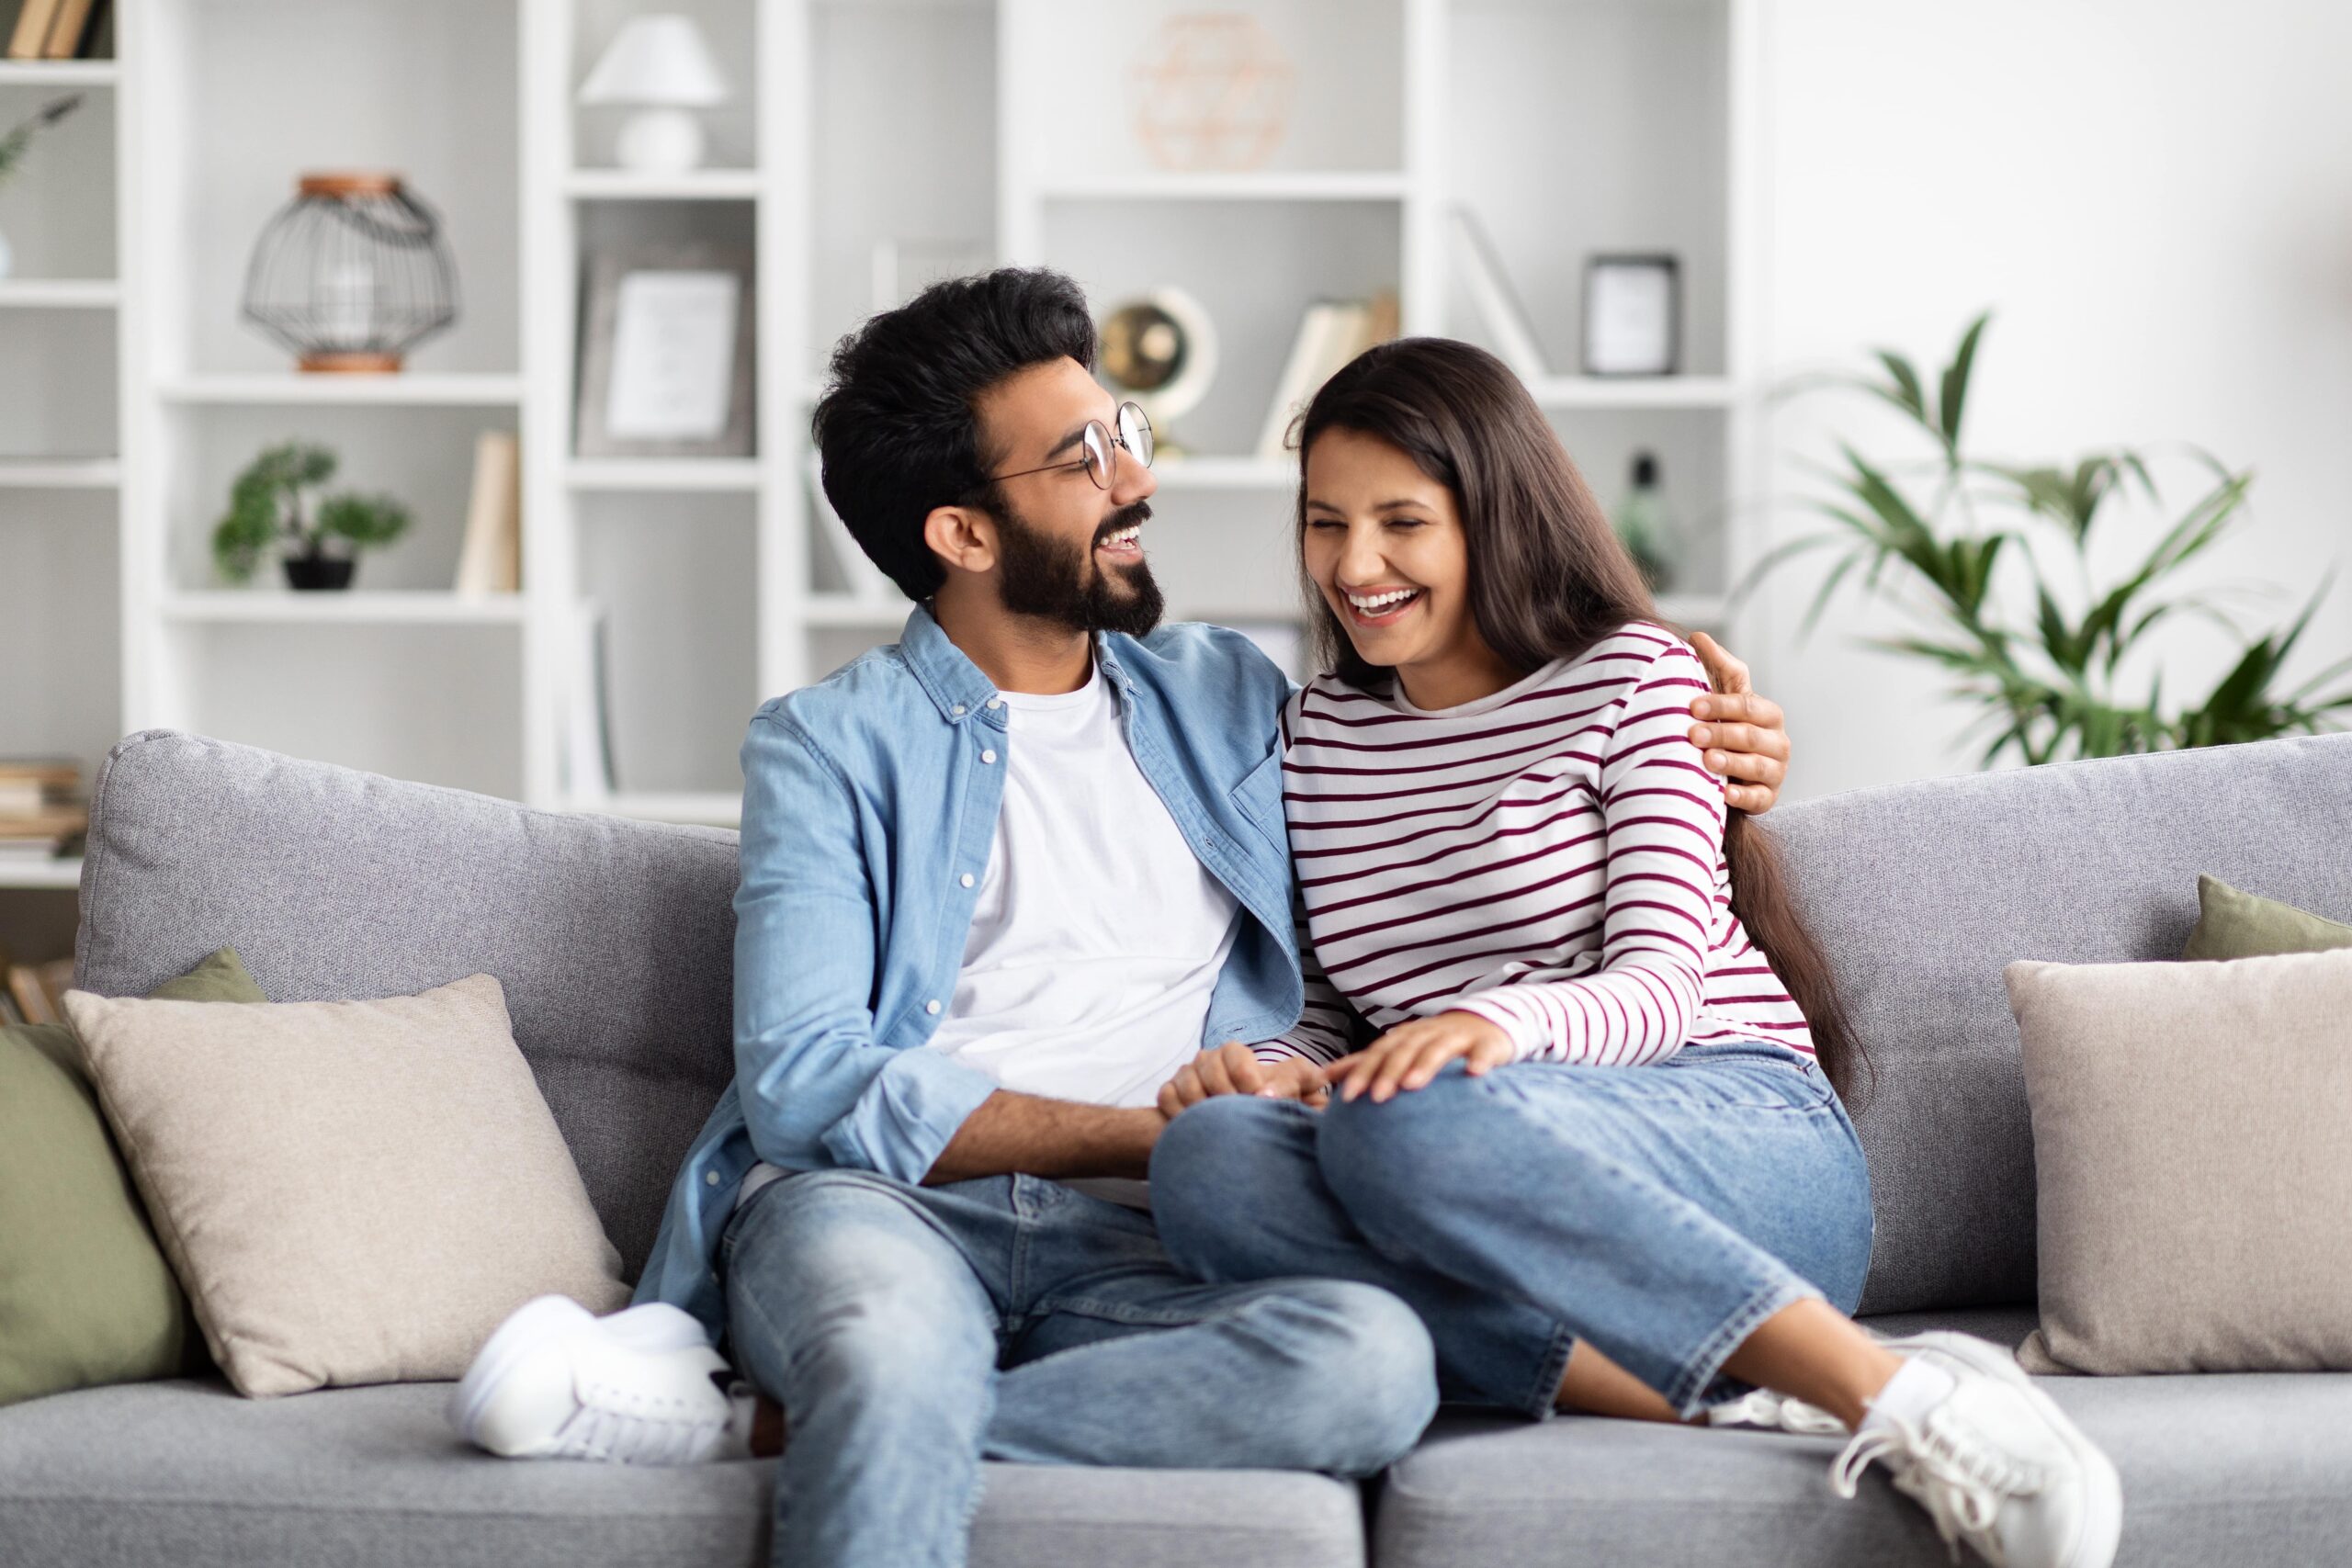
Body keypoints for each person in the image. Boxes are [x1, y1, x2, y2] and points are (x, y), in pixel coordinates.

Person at [446, 272, 1797, 1568]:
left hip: (1161, 1245)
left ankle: (785, 1432)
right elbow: (803, 1081)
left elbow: (1460, 761)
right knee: (896, 1356)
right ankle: (881, 1403)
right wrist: (1156, 1134)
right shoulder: (825, 748)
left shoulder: (1235, 697)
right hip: (888, 1215)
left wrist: (1716, 742)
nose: (1136, 478)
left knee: (1371, 1358)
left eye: (1124, 433)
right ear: (962, 533)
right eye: (1083, 457)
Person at [1145, 336, 2121, 1568]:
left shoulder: (1636, 676)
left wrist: (1495, 1031)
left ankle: (1905, 1402)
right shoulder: (1320, 742)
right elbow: (1338, 1005)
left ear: (1492, 514)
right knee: (1210, 1162)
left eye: (1403, 522)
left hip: (1728, 1131)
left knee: (1406, 1116)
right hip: (1472, 1162)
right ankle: (1722, 1383)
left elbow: (1660, 983)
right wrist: (1271, 1062)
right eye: (1325, 524)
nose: (1355, 565)